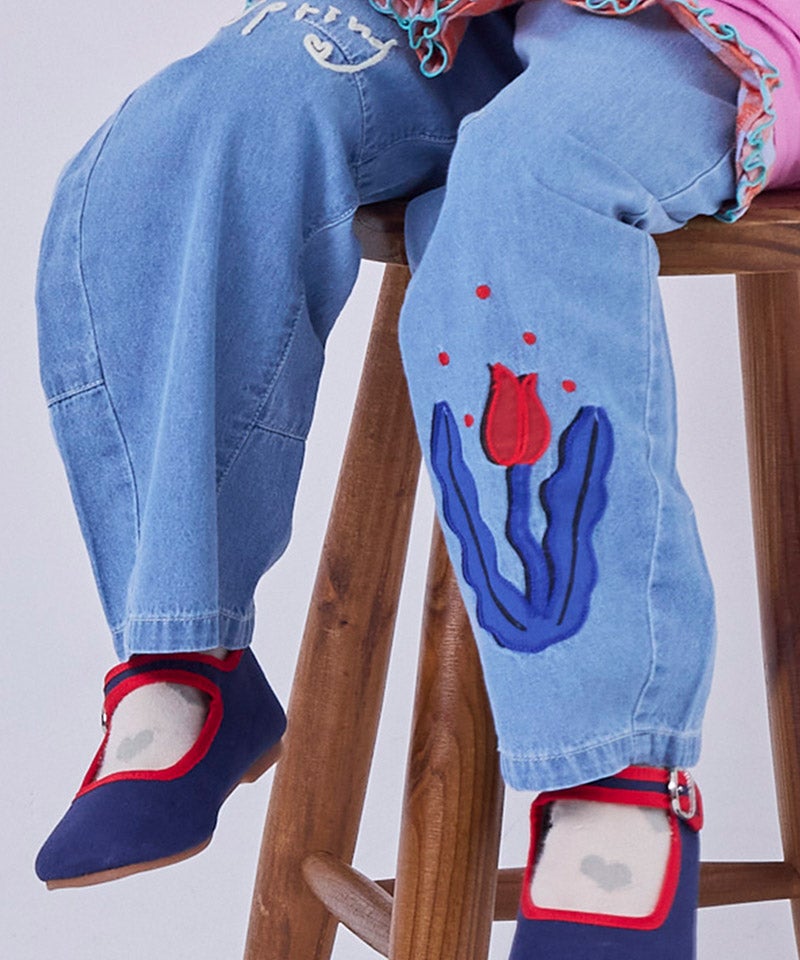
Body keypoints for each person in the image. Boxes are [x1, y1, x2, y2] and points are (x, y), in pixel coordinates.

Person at [32, 1, 800, 957]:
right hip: (453, 15)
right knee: (219, 115)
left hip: (718, 29)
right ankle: (184, 650)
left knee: (527, 180)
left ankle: (613, 778)